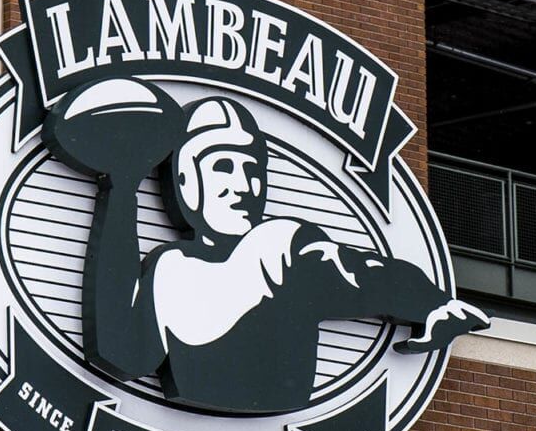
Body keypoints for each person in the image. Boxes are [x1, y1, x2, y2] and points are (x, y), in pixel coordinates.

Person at [46, 80, 488, 413]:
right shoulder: (169, 268)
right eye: (223, 166)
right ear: (185, 182)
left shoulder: (281, 246)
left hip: (281, 409)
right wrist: (121, 186)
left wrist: (431, 303)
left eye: (252, 168)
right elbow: (123, 352)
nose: (242, 185)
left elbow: (364, 272)